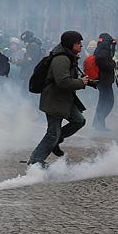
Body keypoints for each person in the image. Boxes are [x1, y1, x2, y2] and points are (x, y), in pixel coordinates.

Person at [27, 31, 89, 167]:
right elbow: (62, 81)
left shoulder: (69, 56)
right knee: (52, 133)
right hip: (54, 100)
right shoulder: (61, 59)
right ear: (71, 44)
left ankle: (57, 140)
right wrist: (81, 83)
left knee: (79, 120)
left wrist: (86, 81)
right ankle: (35, 160)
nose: (81, 46)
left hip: (64, 99)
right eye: (79, 43)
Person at [92, 33, 118, 131]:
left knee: (103, 102)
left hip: (104, 80)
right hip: (104, 81)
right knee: (108, 102)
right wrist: (113, 64)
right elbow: (102, 62)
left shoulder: (101, 49)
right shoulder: (103, 51)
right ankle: (98, 122)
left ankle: (98, 123)